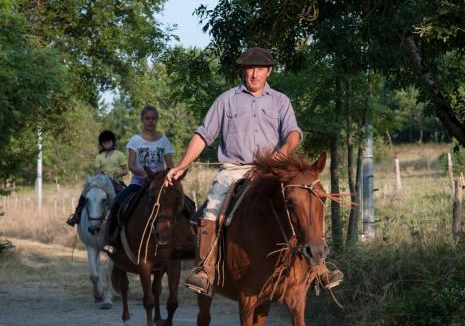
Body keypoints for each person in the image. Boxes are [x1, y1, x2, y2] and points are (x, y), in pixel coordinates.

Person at [165, 47, 343, 295]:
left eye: (260, 68)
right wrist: (182, 164)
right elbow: (203, 135)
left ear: (269, 71)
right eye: (250, 68)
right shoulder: (226, 100)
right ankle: (206, 271)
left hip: (273, 171)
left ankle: (319, 268)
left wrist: (282, 154)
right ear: (243, 70)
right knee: (213, 209)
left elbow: (293, 133)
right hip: (234, 170)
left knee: (306, 199)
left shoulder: (281, 101)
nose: (255, 73)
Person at [102, 105, 174, 255]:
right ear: (142, 120)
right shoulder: (135, 140)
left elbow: (170, 165)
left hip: (159, 185)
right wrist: (144, 174)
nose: (150, 121)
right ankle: (111, 239)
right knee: (117, 203)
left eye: (153, 118)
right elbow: (131, 165)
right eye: (147, 118)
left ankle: (187, 239)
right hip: (139, 183)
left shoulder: (164, 140)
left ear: (157, 120)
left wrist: (164, 176)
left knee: (184, 203)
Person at [66, 130, 128, 227]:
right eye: (104, 142)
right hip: (102, 182)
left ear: (113, 142)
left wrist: (118, 173)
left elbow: (126, 171)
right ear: (101, 144)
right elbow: (97, 173)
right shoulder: (99, 157)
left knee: (126, 196)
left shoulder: (119, 154)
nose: (107, 143)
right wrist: (99, 178)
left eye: (109, 141)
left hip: (116, 182)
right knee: (85, 192)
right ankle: (76, 215)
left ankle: (126, 218)